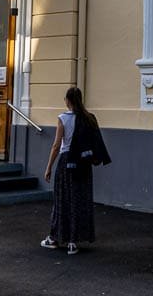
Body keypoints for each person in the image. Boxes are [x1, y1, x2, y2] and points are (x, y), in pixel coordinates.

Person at [41, 86, 111, 255]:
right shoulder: (89, 118)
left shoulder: (63, 118)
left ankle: (54, 238)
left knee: (62, 200)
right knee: (79, 200)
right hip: (84, 164)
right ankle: (74, 241)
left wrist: (49, 166)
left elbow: (57, 145)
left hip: (67, 163)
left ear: (68, 101)